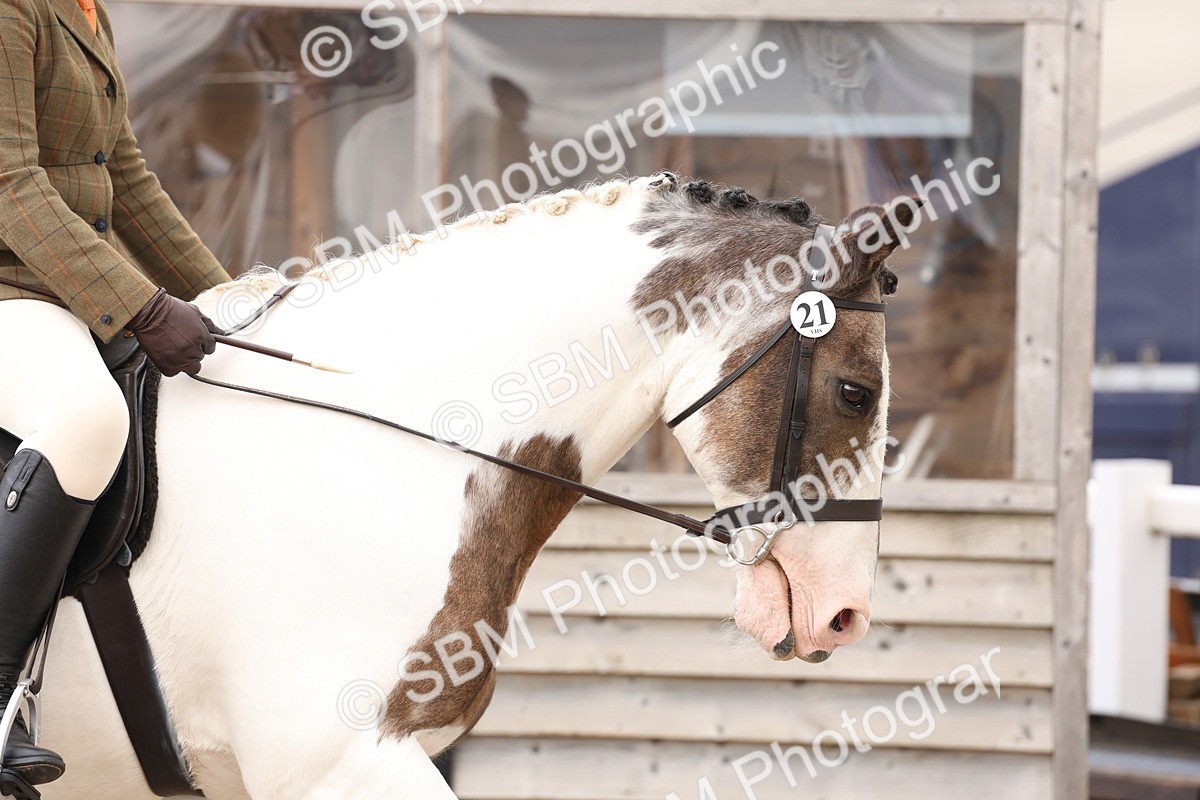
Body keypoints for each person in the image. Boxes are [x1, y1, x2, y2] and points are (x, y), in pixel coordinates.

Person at [0, 0, 231, 787]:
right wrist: (140, 304)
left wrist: (230, 297)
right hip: (9, 291)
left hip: (60, 291)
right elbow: (10, 181)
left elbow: (122, 174)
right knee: (84, 416)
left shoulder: (88, 11)